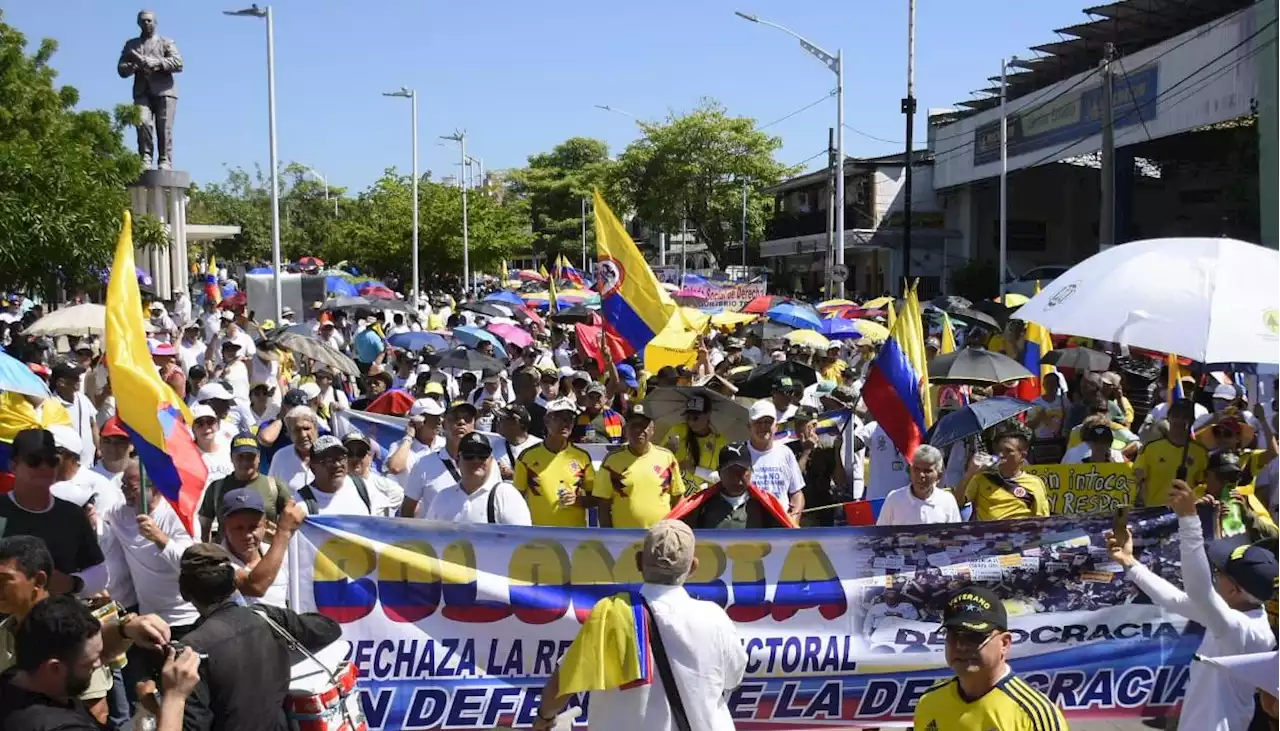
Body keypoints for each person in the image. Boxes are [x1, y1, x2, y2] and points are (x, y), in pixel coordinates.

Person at [532, 520, 746, 731]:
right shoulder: (715, 619)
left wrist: (544, 718)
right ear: (693, 567)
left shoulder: (609, 615)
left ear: (638, 561)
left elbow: (563, 683)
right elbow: (733, 678)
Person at [1109, 479, 1276, 731]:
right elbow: (1175, 600)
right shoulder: (1242, 616)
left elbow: (1199, 590)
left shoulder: (1240, 629)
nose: (1214, 573)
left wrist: (1188, 520)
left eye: (1219, 570)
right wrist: (1130, 563)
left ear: (1234, 589)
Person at [171, 543, 342, 731]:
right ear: (234, 583)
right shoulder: (267, 618)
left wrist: (152, 700)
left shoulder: (190, 652)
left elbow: (192, 726)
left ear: (184, 592)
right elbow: (330, 628)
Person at [0, 594, 199, 731]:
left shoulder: (15, 679)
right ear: (55, 668)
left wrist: (124, 629)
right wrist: (175, 697)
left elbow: (79, 649)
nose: (99, 663)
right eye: (90, 662)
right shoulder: (58, 726)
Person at [913, 584, 1065, 731]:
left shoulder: (1035, 715)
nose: (961, 646)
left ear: (1004, 643)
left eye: (974, 636)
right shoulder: (929, 700)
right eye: (953, 635)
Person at [0, 429, 106, 598]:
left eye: (52, 461)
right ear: (13, 466)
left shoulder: (72, 515)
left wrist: (72, 583)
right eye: (34, 461)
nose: (44, 467)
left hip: (56, 620)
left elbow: (99, 570)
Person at [594, 404, 686, 529]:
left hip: (660, 536)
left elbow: (678, 498)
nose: (638, 430)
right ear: (625, 430)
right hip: (625, 539)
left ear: (652, 430)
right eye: (634, 426)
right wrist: (610, 538)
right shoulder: (612, 461)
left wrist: (675, 529)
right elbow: (603, 504)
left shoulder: (667, 458)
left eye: (643, 426)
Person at [668, 443, 794, 529]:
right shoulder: (702, 506)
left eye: (743, 470)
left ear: (751, 472)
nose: (737, 476)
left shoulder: (764, 506)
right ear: (719, 473)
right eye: (730, 470)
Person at [218, 488, 305, 607]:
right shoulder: (215, 562)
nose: (247, 535)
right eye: (238, 528)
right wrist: (284, 531)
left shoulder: (281, 555)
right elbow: (256, 587)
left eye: (253, 527)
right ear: (225, 528)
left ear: (265, 525)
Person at [515, 398, 594, 528]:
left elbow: (595, 498)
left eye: (569, 419)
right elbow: (517, 500)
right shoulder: (526, 457)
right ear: (547, 421)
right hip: (539, 534)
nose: (565, 424)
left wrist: (577, 500)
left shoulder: (582, 457)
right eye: (559, 418)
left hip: (575, 535)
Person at [199, 432, 292, 542]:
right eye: (240, 457)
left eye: (250, 457)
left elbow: (292, 521)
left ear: (258, 458)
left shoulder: (274, 486)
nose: (245, 462)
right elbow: (204, 527)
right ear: (231, 457)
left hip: (266, 554)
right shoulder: (216, 488)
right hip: (226, 555)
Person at [424, 432, 531, 525]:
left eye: (482, 455)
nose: (476, 460)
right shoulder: (443, 498)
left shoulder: (506, 495)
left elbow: (522, 541)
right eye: (469, 455)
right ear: (457, 460)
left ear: (491, 460)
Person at [401, 402, 480, 518]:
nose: (461, 422)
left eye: (467, 419)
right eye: (455, 418)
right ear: (443, 425)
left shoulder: (487, 465)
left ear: (474, 426)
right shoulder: (423, 464)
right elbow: (407, 510)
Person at [958, 428, 1050, 521]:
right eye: (999, 450)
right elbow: (957, 502)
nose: (1001, 455)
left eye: (1008, 451)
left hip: (1019, 533)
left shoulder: (1034, 483)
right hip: (989, 533)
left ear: (1023, 455)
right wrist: (970, 473)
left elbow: (1042, 519)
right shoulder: (982, 479)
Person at [1135, 399, 1208, 507]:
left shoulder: (1200, 452)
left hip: (1186, 512)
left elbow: (1203, 484)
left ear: (1192, 420)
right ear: (1168, 418)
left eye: (1185, 417)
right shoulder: (1151, 448)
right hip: (1154, 512)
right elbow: (1136, 478)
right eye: (1176, 416)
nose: (1180, 421)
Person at [743, 401, 806, 522]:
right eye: (758, 422)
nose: (763, 426)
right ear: (749, 426)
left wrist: (794, 519)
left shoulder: (786, 453)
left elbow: (797, 493)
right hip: (749, 525)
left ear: (776, 426)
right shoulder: (740, 453)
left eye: (768, 422)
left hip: (781, 523)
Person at [48, 425, 124, 517]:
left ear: (71, 456)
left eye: (53, 452)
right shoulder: (37, 482)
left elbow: (109, 526)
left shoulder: (99, 485)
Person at [877, 445, 963, 526]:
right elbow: (880, 535)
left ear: (939, 475)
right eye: (916, 469)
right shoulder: (894, 499)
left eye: (927, 471)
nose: (921, 475)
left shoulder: (947, 500)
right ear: (910, 470)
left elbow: (955, 538)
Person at [787, 408, 845, 527]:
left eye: (801, 424)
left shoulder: (826, 449)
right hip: (799, 512)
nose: (797, 428)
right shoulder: (789, 449)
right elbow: (793, 479)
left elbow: (840, 481)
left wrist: (837, 452)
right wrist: (806, 451)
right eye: (796, 424)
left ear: (813, 425)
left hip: (822, 512)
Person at [661, 395, 728, 492]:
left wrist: (694, 470)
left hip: (702, 498)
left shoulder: (721, 442)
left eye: (695, 418)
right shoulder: (678, 431)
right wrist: (669, 452)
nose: (691, 422)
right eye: (688, 418)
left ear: (708, 415)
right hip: (675, 494)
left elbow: (725, 478)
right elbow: (658, 464)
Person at [295, 436, 373, 517]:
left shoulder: (362, 487)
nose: (337, 465)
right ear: (312, 467)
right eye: (329, 461)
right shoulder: (300, 504)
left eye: (341, 458)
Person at [49, 359, 97, 467]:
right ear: (61, 382)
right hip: (66, 466)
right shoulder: (51, 404)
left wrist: (99, 449)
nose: (79, 380)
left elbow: (93, 424)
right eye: (74, 378)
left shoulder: (82, 398)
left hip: (89, 463)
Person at [343, 432, 403, 517]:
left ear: (369, 456)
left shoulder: (387, 487)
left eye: (361, 452)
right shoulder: (334, 486)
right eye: (350, 453)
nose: (355, 458)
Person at [266, 405, 319, 491]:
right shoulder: (281, 457)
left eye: (306, 428)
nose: (303, 435)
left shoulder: (329, 455)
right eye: (297, 430)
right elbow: (271, 492)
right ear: (289, 434)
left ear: (316, 429)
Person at [494, 404, 542, 478]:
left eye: (501, 419)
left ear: (515, 423)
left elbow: (543, 478)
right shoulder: (493, 446)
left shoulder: (539, 446)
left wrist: (512, 475)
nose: (497, 423)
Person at [1062, 419, 1126, 464]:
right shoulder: (1078, 465)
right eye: (1095, 441)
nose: (1099, 445)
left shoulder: (1117, 461)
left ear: (1110, 444)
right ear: (1089, 443)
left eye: (1104, 442)